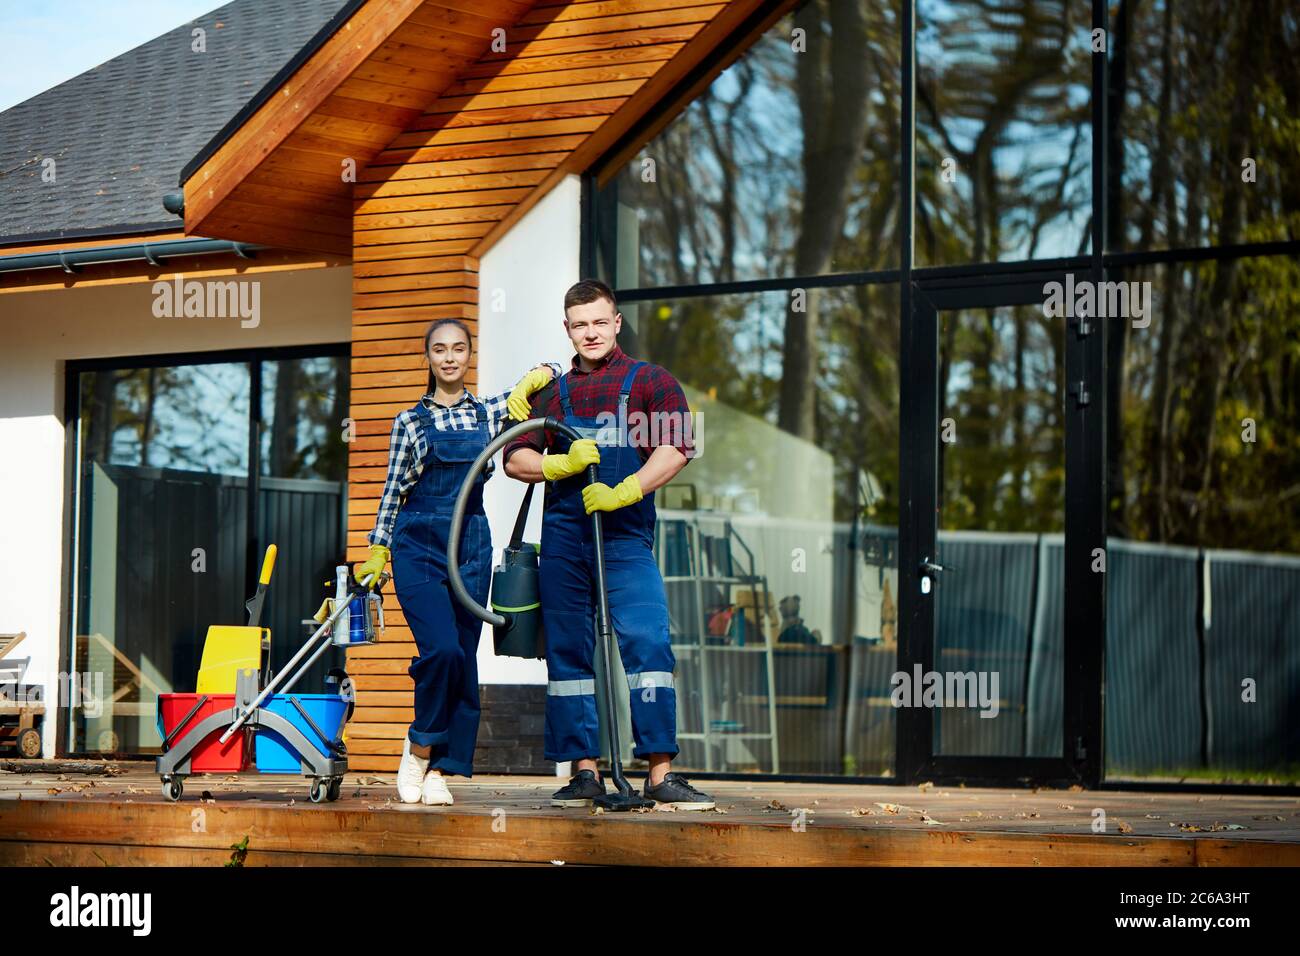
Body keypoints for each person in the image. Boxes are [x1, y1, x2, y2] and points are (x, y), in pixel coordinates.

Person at [505, 279, 715, 810]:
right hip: (563, 542)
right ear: (568, 329)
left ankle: (661, 773)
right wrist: (556, 462)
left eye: (600, 322)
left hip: (624, 539)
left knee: (647, 644)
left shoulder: (650, 381)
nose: (591, 332)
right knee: (569, 652)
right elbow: (513, 460)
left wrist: (626, 490)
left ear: (616, 322)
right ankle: (584, 774)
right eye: (580, 325)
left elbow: (678, 447)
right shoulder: (550, 393)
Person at [355, 318, 560, 805]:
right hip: (419, 544)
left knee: (465, 657)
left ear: (469, 355)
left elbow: (552, 372)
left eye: (459, 349)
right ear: (427, 358)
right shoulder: (410, 421)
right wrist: (378, 547)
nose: (449, 357)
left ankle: (440, 770)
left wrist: (535, 378)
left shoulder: (490, 411)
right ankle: (420, 746)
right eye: (440, 350)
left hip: (471, 541)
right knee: (442, 650)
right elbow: (392, 490)